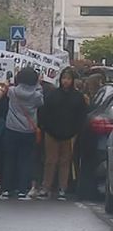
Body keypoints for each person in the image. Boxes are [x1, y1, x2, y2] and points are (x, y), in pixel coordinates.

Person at [38, 67, 87, 201]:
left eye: (68, 79)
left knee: (65, 161)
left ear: (72, 80)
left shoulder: (78, 97)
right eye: (64, 78)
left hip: (70, 134)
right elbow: (44, 111)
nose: (66, 81)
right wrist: (45, 127)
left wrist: (76, 131)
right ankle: (46, 187)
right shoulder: (53, 94)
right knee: (50, 160)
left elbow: (81, 116)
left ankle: (62, 188)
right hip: (51, 132)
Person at [0, 67, 43, 201]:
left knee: (9, 159)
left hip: (11, 128)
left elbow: (6, 93)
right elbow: (41, 103)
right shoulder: (36, 95)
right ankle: (22, 190)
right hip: (28, 130)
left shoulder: (12, 92)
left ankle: (7, 189)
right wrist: (39, 84)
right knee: (25, 160)